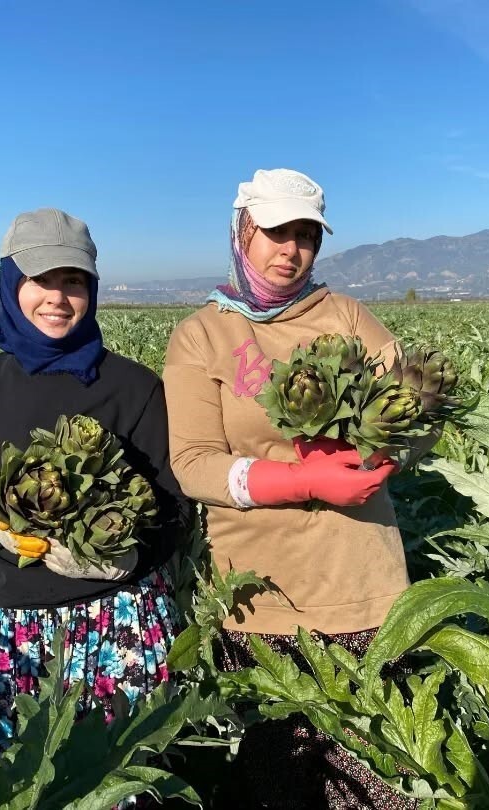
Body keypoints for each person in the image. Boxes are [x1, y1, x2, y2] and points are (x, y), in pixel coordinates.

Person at [163, 169, 427, 808]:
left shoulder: (350, 319)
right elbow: (194, 464)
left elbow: (418, 425)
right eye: (277, 232)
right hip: (260, 600)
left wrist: (382, 457)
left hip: (365, 584)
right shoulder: (204, 335)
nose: (291, 250)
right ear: (243, 232)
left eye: (306, 235)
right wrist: (303, 478)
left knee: (378, 782)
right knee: (281, 786)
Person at [0, 208, 189, 795]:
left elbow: (174, 506)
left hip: (117, 624)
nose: (58, 298)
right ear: (11, 285)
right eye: (42, 280)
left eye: (75, 282)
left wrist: (124, 561)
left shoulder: (135, 387)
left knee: (114, 790)